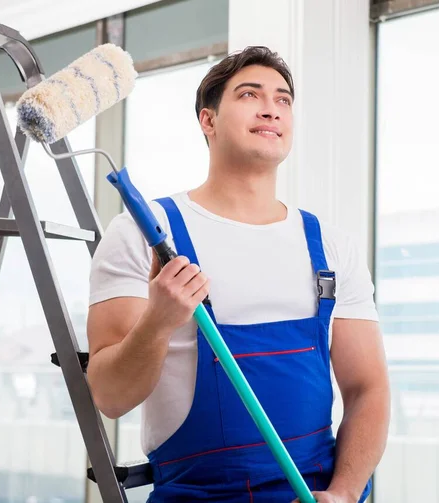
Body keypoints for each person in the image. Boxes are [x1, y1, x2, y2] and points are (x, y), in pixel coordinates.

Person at [85, 46, 390, 502]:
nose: (271, 108)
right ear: (208, 121)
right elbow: (110, 395)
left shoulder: (330, 245)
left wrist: (345, 493)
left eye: (283, 99)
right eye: (250, 94)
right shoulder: (144, 234)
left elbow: (368, 388)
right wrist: (159, 320)